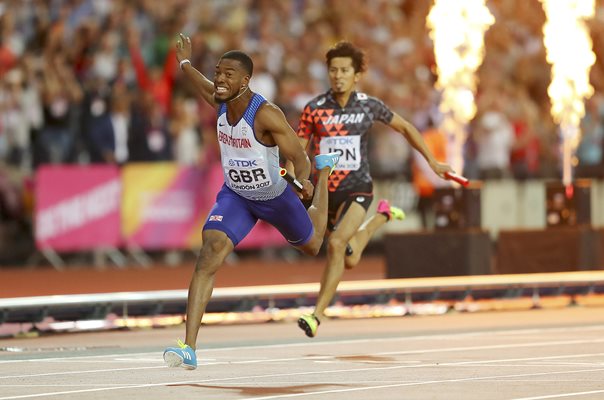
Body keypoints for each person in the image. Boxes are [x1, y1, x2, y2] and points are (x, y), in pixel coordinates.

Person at [162, 33, 340, 370]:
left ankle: (327, 174)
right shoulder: (219, 100)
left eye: (228, 74)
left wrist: (306, 179)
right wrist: (184, 62)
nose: (219, 79)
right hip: (237, 196)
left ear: (246, 80)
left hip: (275, 196)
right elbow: (200, 84)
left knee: (314, 244)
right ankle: (189, 347)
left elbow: (298, 156)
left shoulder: (266, 115)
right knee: (209, 251)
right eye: (218, 72)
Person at [294, 41, 453, 338]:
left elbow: (405, 127)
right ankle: (381, 217)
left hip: (359, 187)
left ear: (356, 75)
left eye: (344, 70)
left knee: (338, 245)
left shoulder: (369, 105)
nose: (338, 75)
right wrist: (292, 176)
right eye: (333, 70)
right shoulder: (314, 110)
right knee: (350, 258)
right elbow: (298, 150)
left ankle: (316, 315)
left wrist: (431, 161)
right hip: (326, 192)